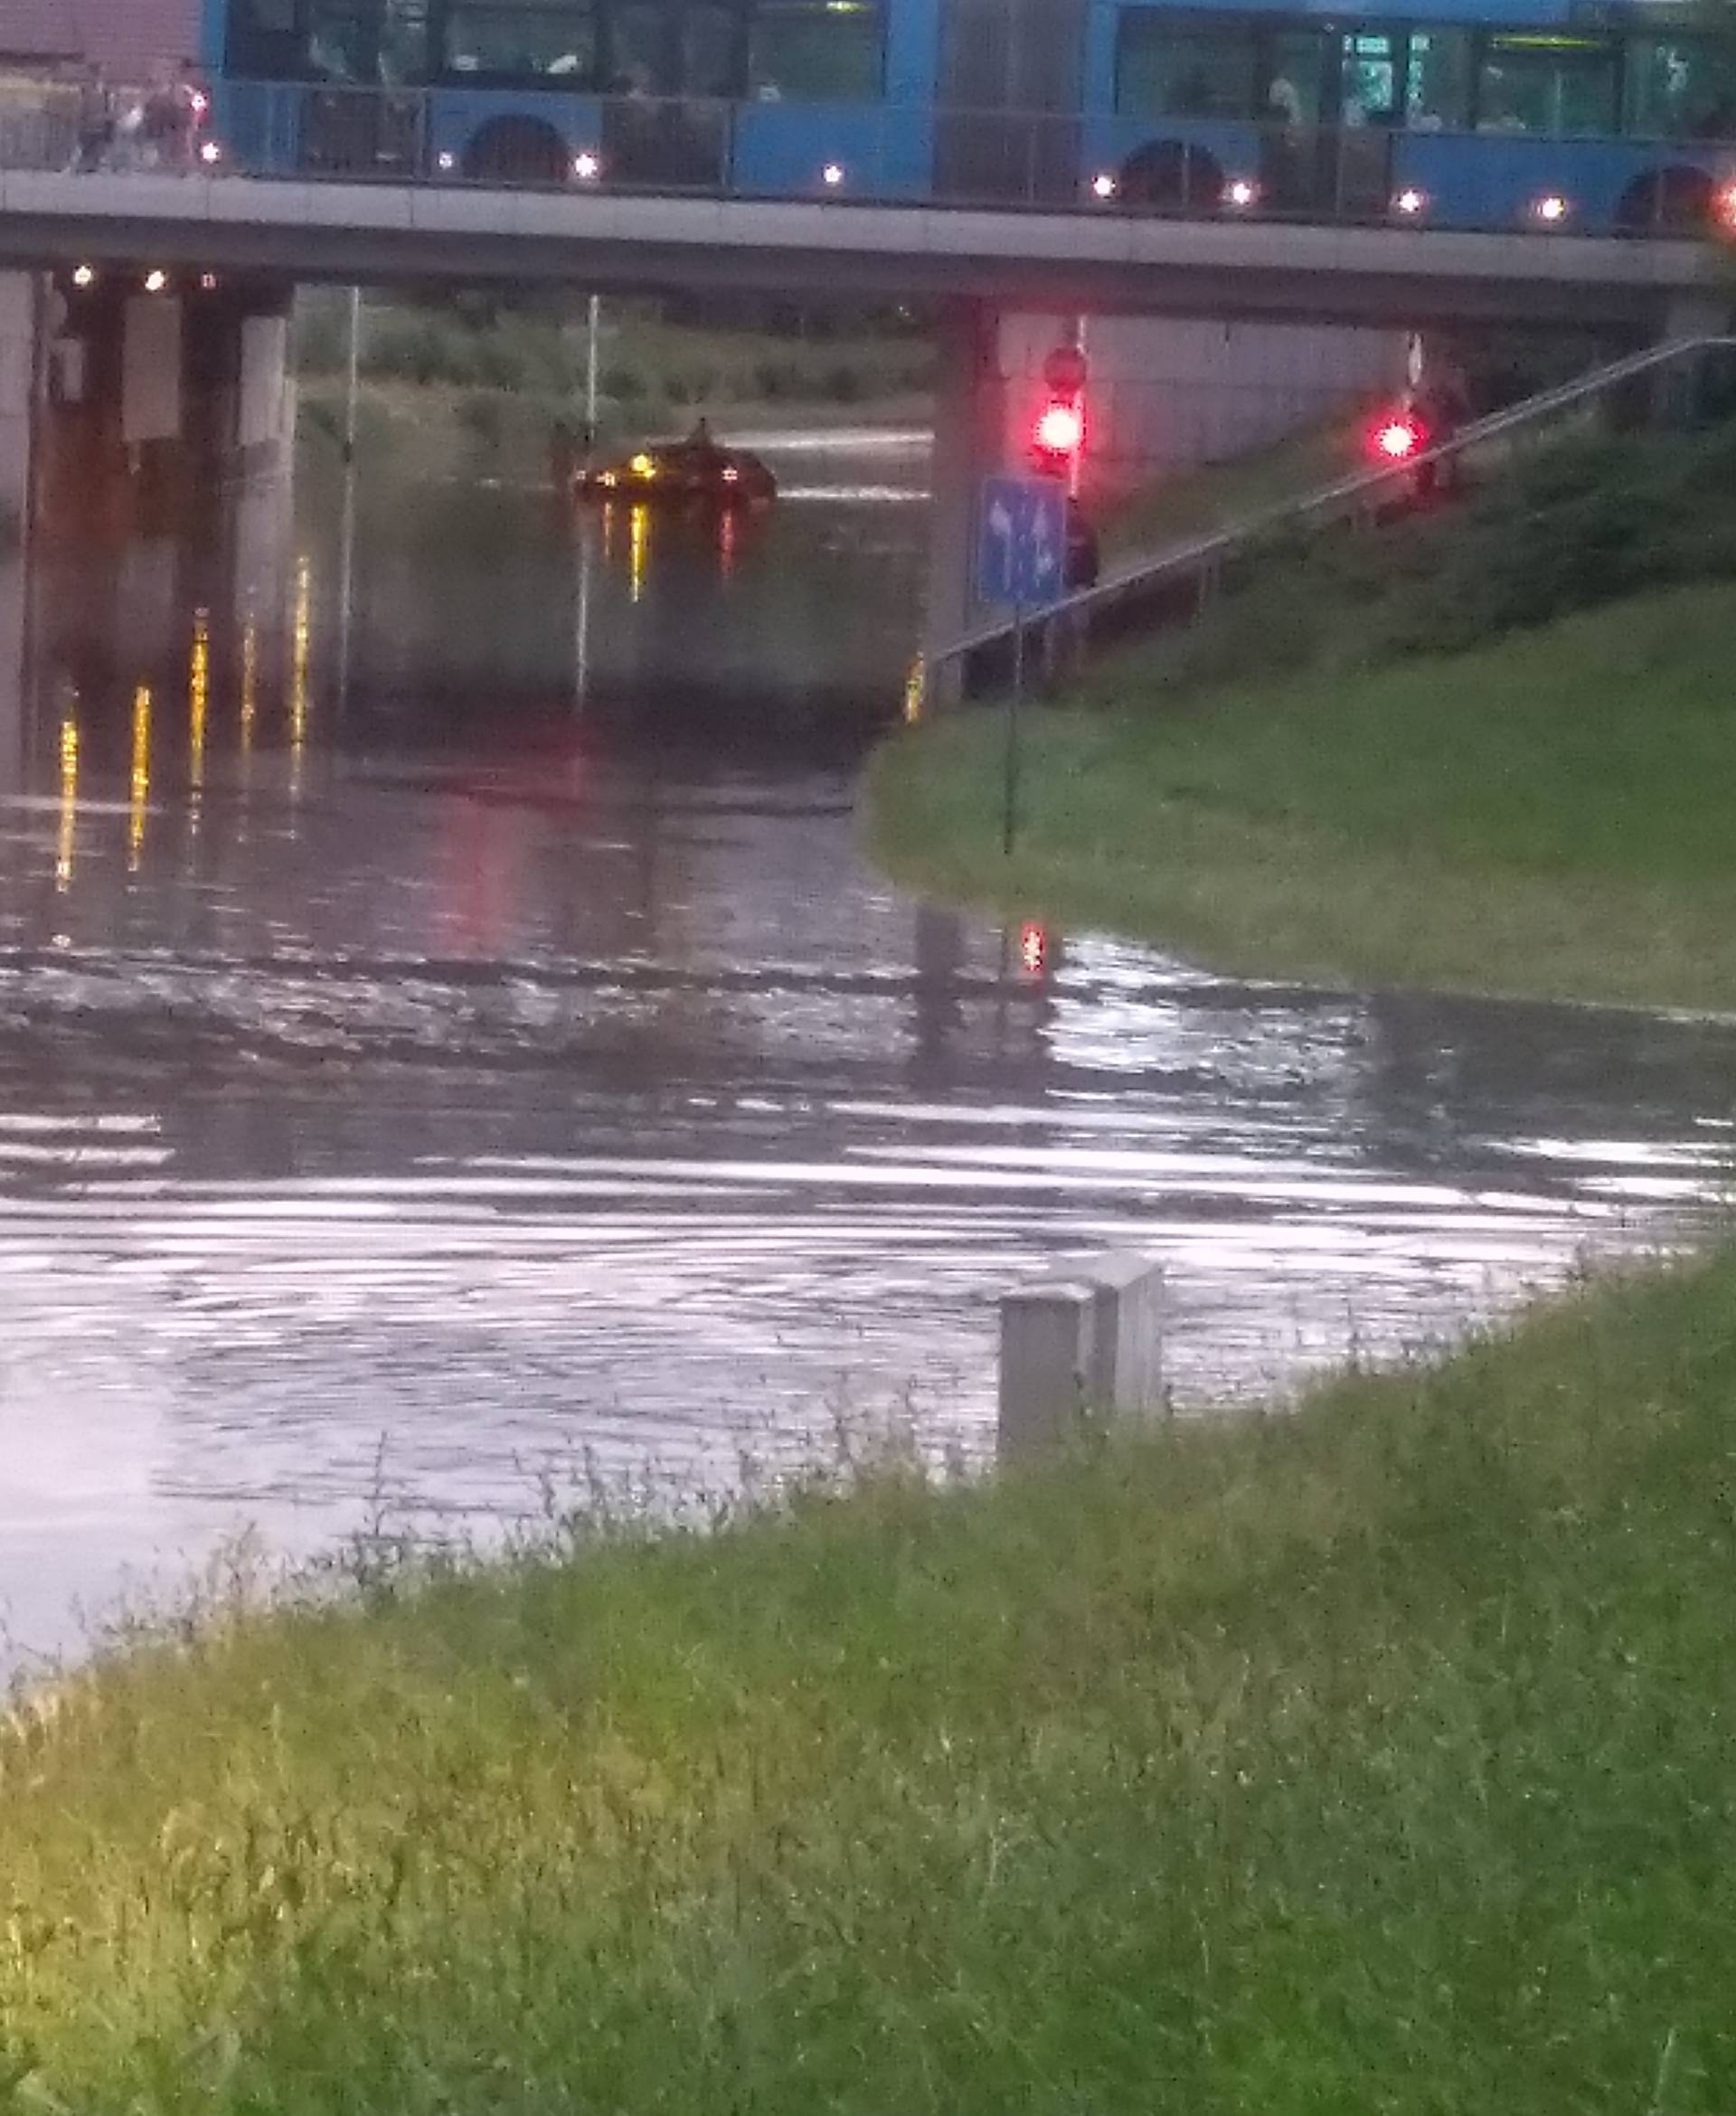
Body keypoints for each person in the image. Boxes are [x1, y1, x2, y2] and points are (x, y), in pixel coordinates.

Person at [71, 65, 113, 174]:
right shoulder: (84, 90)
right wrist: (80, 120)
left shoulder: (106, 91)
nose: (98, 78)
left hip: (100, 126)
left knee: (97, 150)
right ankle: (81, 168)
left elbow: (109, 108)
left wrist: (106, 119)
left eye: (100, 75)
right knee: (85, 149)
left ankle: (93, 167)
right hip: (87, 125)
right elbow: (80, 107)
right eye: (96, 75)